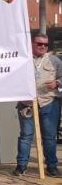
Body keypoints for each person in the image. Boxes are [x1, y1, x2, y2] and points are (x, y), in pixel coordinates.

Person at [15, 34, 62, 177]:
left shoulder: (55, 61)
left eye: (45, 44)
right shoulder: (22, 60)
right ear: (32, 44)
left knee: (49, 137)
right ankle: (21, 166)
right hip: (27, 104)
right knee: (25, 136)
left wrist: (57, 83)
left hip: (49, 103)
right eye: (39, 43)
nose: (42, 46)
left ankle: (52, 167)